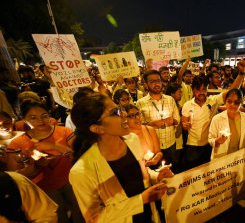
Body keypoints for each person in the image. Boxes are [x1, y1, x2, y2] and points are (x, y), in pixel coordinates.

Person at [69, 94, 173, 222]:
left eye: (119, 109)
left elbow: (140, 174)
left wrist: (156, 176)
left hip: (148, 215)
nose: (124, 114)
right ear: (97, 128)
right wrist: (141, 200)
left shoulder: (132, 139)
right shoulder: (81, 171)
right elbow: (95, 218)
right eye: (114, 112)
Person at [8, 100, 83, 223]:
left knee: (81, 213)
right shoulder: (17, 143)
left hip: (72, 181)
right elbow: (16, 177)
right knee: (59, 217)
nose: (40, 121)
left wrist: (54, 147)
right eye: (33, 118)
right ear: (24, 120)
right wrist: (36, 166)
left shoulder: (64, 132)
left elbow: (79, 157)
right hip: (45, 188)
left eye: (44, 116)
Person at [136, 70, 180, 172]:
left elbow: (177, 120)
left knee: (173, 171)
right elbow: (139, 126)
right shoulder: (140, 103)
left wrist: (172, 121)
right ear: (146, 85)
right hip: (154, 148)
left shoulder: (170, 99)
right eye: (152, 81)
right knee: (157, 174)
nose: (156, 84)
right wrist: (152, 124)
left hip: (171, 144)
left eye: (158, 80)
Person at [208, 89, 245, 159]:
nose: (232, 105)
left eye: (236, 102)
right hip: (221, 159)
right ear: (225, 102)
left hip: (238, 159)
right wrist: (217, 141)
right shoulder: (217, 118)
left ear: (241, 103)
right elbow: (210, 139)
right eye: (229, 101)